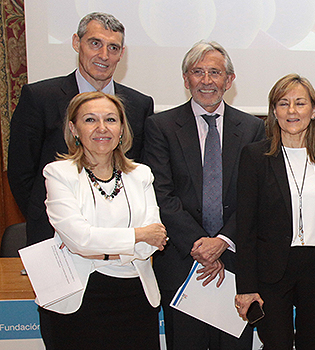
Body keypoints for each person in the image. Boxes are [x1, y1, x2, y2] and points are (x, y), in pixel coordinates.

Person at [142, 41, 264, 349]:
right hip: (183, 264)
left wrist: (221, 243)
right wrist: (200, 246)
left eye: (215, 72)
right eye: (198, 72)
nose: (207, 80)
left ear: (229, 80)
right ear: (186, 80)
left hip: (237, 268)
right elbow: (161, 194)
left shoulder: (252, 129)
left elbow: (256, 198)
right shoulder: (160, 126)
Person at [8, 12, 154, 247]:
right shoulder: (39, 98)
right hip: (53, 236)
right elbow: (21, 172)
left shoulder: (140, 105)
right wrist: (57, 222)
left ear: (122, 54)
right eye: (95, 43)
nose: (104, 55)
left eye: (113, 48)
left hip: (124, 245)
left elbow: (138, 171)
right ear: (77, 43)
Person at [41, 92, 167, 350]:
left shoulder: (141, 175)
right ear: (74, 129)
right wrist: (137, 235)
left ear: (122, 129)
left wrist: (102, 250)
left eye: (110, 120)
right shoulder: (59, 174)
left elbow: (152, 243)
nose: (102, 128)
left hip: (136, 299)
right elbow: (80, 239)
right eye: (90, 120)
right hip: (78, 301)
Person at [234, 74, 315, 350]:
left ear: (314, 110)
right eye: (283, 103)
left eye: (300, 103)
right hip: (271, 271)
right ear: (274, 112)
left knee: (310, 344)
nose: (292, 111)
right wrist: (245, 286)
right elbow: (244, 228)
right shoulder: (255, 157)